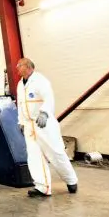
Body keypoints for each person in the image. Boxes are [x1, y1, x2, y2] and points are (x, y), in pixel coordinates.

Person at [16, 57, 78, 197]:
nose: (17, 68)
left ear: (29, 67)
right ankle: (41, 186)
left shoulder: (40, 81)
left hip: (44, 123)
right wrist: (20, 121)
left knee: (56, 153)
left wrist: (44, 112)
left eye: (19, 65)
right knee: (34, 156)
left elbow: (48, 98)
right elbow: (20, 104)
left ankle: (71, 180)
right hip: (29, 126)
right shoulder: (20, 84)